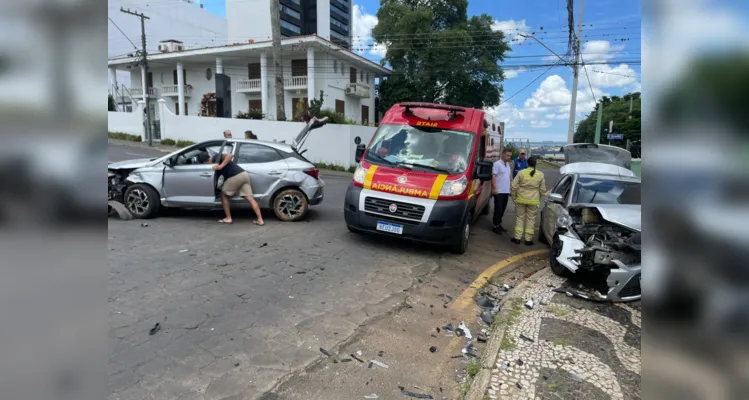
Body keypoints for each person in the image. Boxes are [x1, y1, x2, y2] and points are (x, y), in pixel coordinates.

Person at [199, 151, 264, 226]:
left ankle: (228, 218)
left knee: (223, 195)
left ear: (204, 162)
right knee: (250, 198)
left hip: (235, 176)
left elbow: (230, 156)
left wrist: (221, 166)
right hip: (244, 175)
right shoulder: (214, 162)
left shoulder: (215, 157)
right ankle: (260, 220)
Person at [510, 157, 546, 245]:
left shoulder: (521, 173)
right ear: (535, 164)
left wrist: (514, 197)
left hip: (521, 199)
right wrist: (538, 198)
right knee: (531, 219)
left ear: (527, 163)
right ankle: (528, 240)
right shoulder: (540, 174)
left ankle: (517, 238)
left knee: (520, 218)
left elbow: (513, 186)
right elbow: (542, 190)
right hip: (534, 200)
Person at [491, 149, 513, 234]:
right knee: (498, 209)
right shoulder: (497, 164)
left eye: (510, 156)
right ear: (503, 155)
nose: (509, 157)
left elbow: (508, 177)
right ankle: (495, 226)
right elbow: (493, 177)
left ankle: (499, 224)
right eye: (507, 155)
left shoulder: (507, 165)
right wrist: (494, 188)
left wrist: (510, 188)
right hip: (499, 191)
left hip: (506, 191)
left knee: (503, 209)